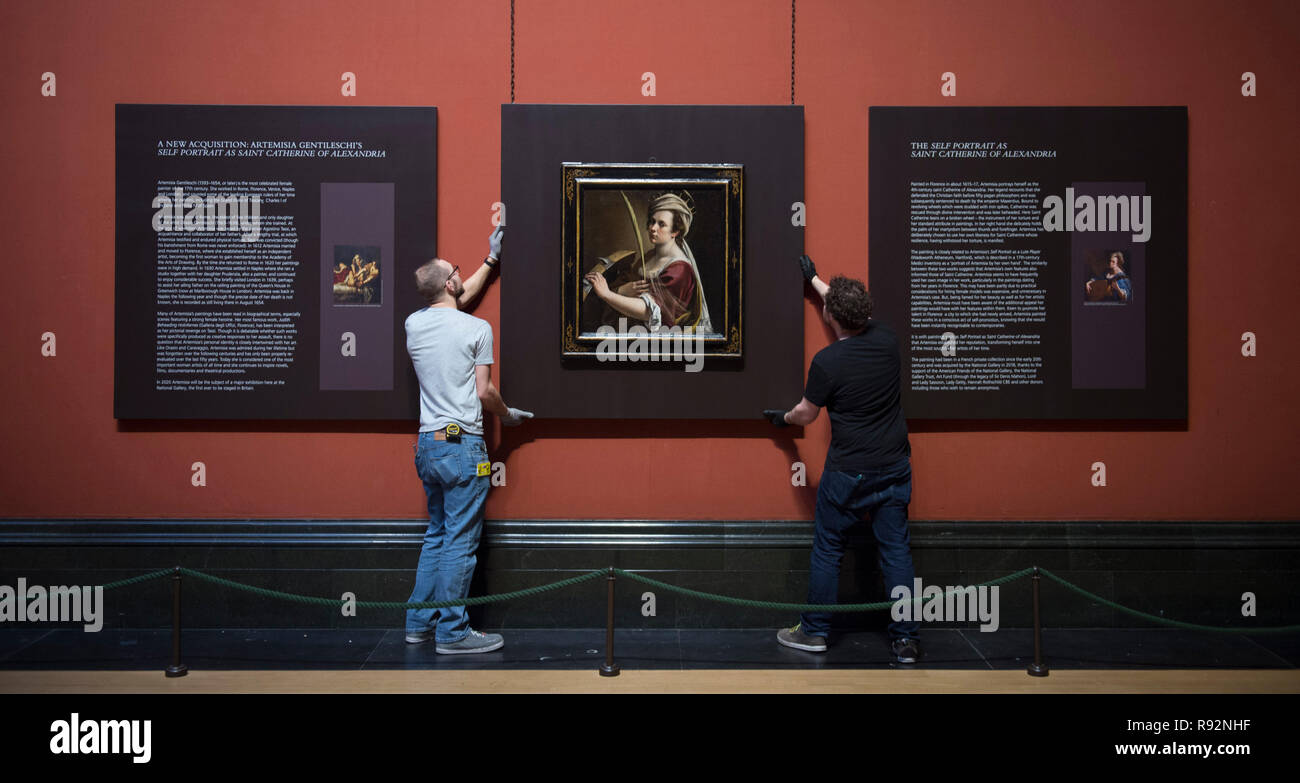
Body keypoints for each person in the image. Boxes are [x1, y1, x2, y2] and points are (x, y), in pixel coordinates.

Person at [763, 255, 920, 664]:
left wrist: (782, 420)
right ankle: (906, 641)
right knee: (897, 552)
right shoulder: (888, 339)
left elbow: (805, 414)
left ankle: (814, 632)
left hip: (848, 472)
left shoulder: (827, 363)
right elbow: (843, 304)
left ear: (830, 316)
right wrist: (814, 280)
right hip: (893, 465)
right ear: (865, 311)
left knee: (829, 548)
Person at [404, 225, 533, 654]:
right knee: (460, 540)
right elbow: (485, 392)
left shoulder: (414, 325)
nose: (461, 275)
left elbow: (453, 301)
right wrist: (508, 414)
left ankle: (418, 624)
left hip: (429, 445)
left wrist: (490, 260)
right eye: (455, 271)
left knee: (437, 535)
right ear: (449, 283)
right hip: (464, 448)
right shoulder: (477, 330)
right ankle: (453, 633)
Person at [583, 193, 713, 333]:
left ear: (675, 231)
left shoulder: (679, 270)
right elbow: (629, 283)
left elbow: (649, 312)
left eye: (661, 224)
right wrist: (621, 290)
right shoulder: (650, 256)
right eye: (652, 221)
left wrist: (607, 294)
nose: (652, 227)